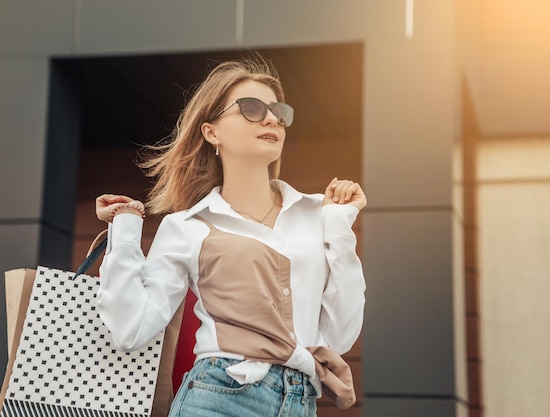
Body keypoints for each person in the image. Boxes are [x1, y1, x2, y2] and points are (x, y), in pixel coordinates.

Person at [94, 53, 366, 417]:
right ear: (212, 132)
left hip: (300, 403)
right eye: (251, 108)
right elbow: (130, 330)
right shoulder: (186, 227)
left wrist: (339, 228)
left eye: (279, 111)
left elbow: (340, 335)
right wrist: (125, 227)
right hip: (216, 398)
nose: (271, 118)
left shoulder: (318, 215)